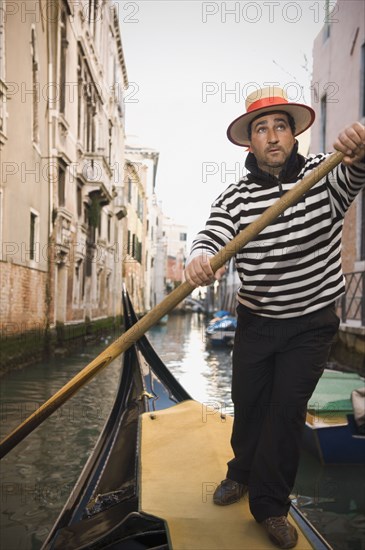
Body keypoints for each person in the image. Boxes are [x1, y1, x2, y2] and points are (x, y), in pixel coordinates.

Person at [184, 86, 365, 549]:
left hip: (311, 322)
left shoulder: (324, 173)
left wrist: (359, 147)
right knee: (248, 407)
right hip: (258, 320)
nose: (272, 136)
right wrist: (202, 256)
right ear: (251, 143)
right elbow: (214, 232)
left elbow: (356, 171)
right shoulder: (237, 197)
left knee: (284, 415)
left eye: (280, 126)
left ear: (291, 134)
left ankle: (270, 506)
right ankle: (240, 473)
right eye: (261, 129)